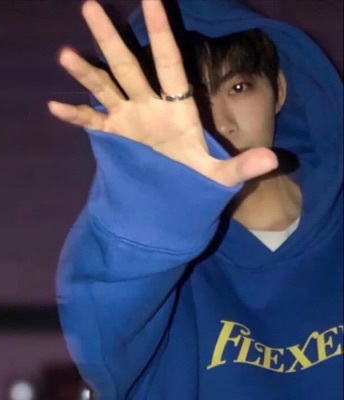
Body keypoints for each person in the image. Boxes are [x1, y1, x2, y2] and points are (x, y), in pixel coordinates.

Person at [48, 0, 343, 399]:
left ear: (279, 90)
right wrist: (147, 205)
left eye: (238, 88)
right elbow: (101, 334)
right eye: (190, 99)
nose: (220, 123)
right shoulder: (153, 272)